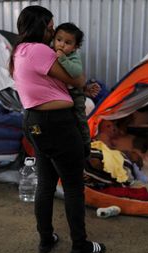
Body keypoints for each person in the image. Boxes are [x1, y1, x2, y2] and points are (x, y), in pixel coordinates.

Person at [10, 6, 106, 253]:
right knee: (74, 187)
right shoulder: (41, 50)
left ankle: (46, 239)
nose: (53, 34)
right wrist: (82, 86)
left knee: (46, 184)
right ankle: (80, 245)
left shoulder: (19, 51)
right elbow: (76, 79)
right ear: (39, 26)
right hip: (58, 124)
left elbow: (52, 84)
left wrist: (80, 90)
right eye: (51, 28)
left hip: (34, 122)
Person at [52, 22, 99, 155]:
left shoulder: (73, 57)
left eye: (67, 43)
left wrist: (63, 60)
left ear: (75, 47)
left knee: (80, 118)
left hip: (75, 93)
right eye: (59, 40)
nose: (61, 45)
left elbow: (76, 72)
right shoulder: (50, 52)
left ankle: (86, 145)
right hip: (61, 93)